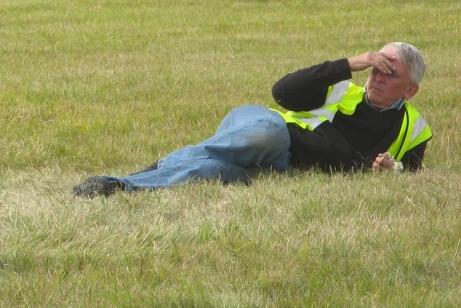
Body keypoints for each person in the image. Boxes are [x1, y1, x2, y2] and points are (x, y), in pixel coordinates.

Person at [73, 43, 432, 197]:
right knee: (270, 131)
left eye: (389, 73)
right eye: (376, 68)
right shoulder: (342, 88)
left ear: (410, 91)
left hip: (282, 168)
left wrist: (391, 171)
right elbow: (283, 93)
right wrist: (347, 64)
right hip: (261, 129)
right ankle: (160, 165)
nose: (377, 77)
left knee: (210, 172)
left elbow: (411, 173)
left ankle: (119, 186)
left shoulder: (413, 128)